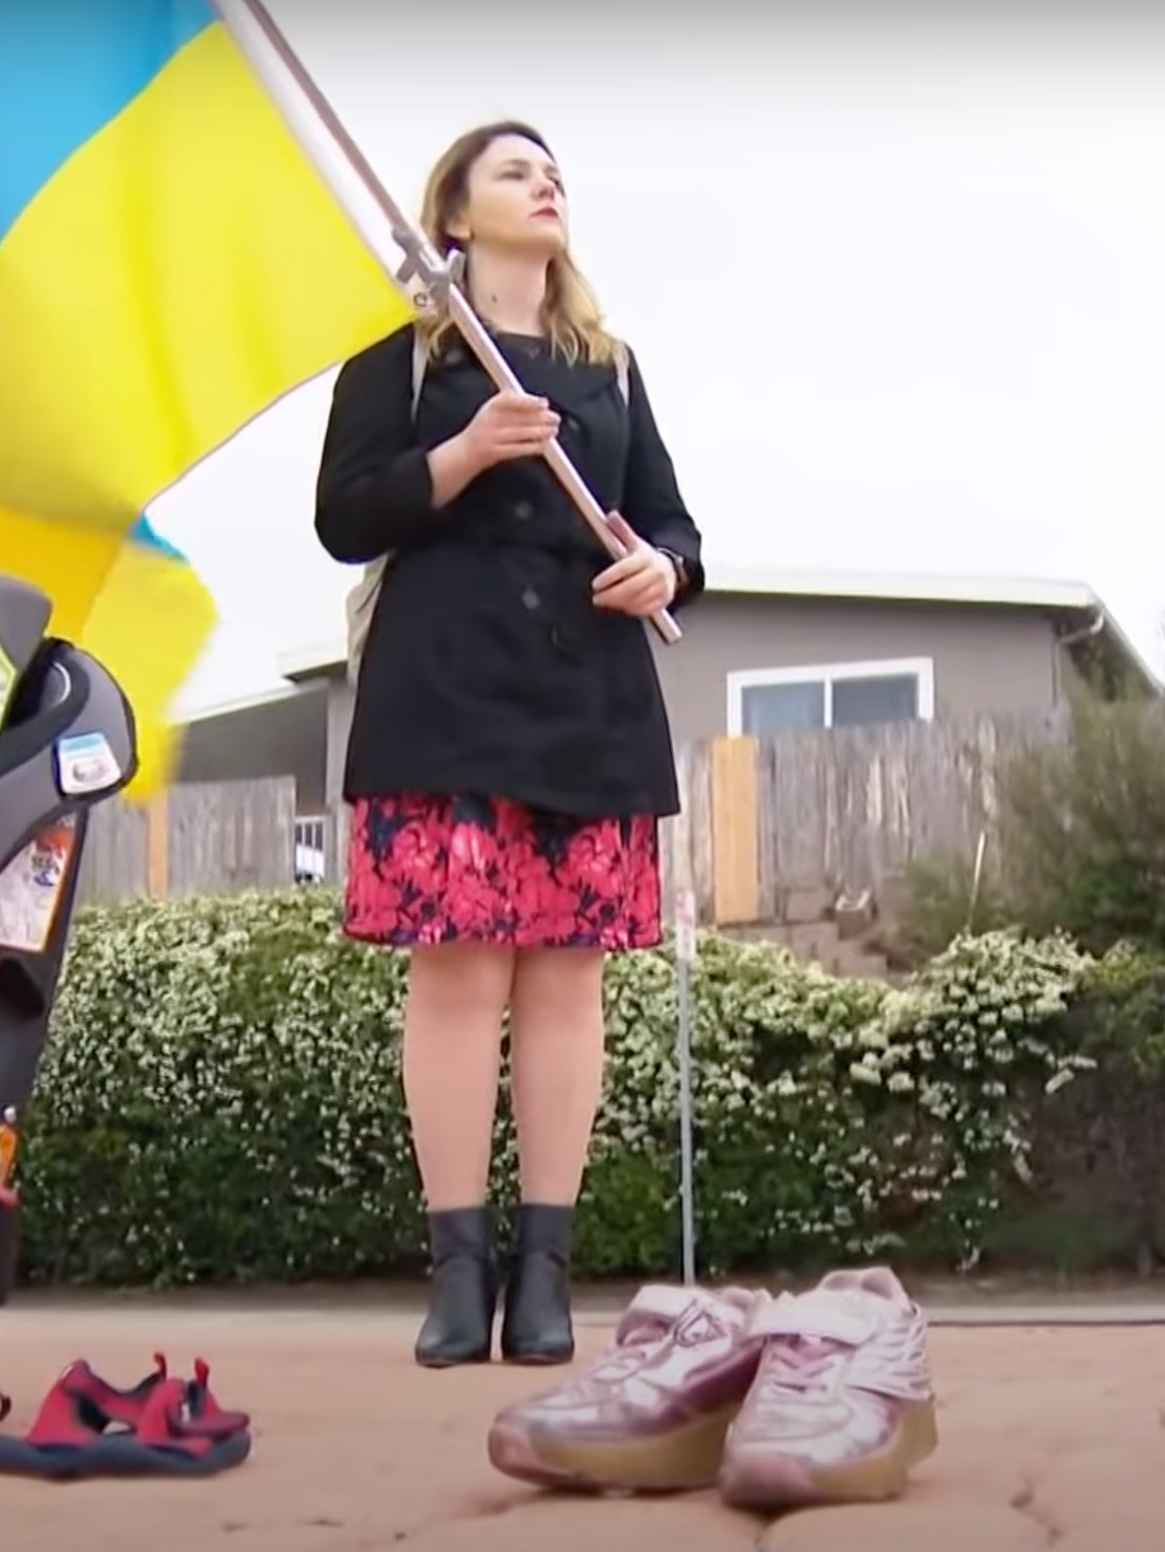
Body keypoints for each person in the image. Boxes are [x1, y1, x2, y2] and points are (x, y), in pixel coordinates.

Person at [312, 120, 704, 1369]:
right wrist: (466, 451)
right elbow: (344, 514)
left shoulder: (612, 367)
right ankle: (456, 1270)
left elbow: (675, 525)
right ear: (455, 215)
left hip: (588, 700)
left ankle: (545, 1275)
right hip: (445, 697)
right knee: (459, 977)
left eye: (553, 172)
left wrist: (663, 567)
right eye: (513, 171)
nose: (546, 184)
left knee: (564, 982)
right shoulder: (397, 355)